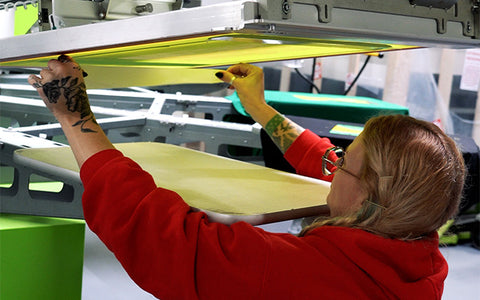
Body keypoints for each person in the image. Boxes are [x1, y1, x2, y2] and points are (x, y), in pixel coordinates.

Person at [28, 55, 465, 299]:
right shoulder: (421, 258)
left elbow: (158, 232)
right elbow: (325, 160)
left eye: (347, 160)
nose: (335, 163)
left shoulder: (292, 273)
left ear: (369, 197)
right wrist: (257, 106)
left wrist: (74, 115)